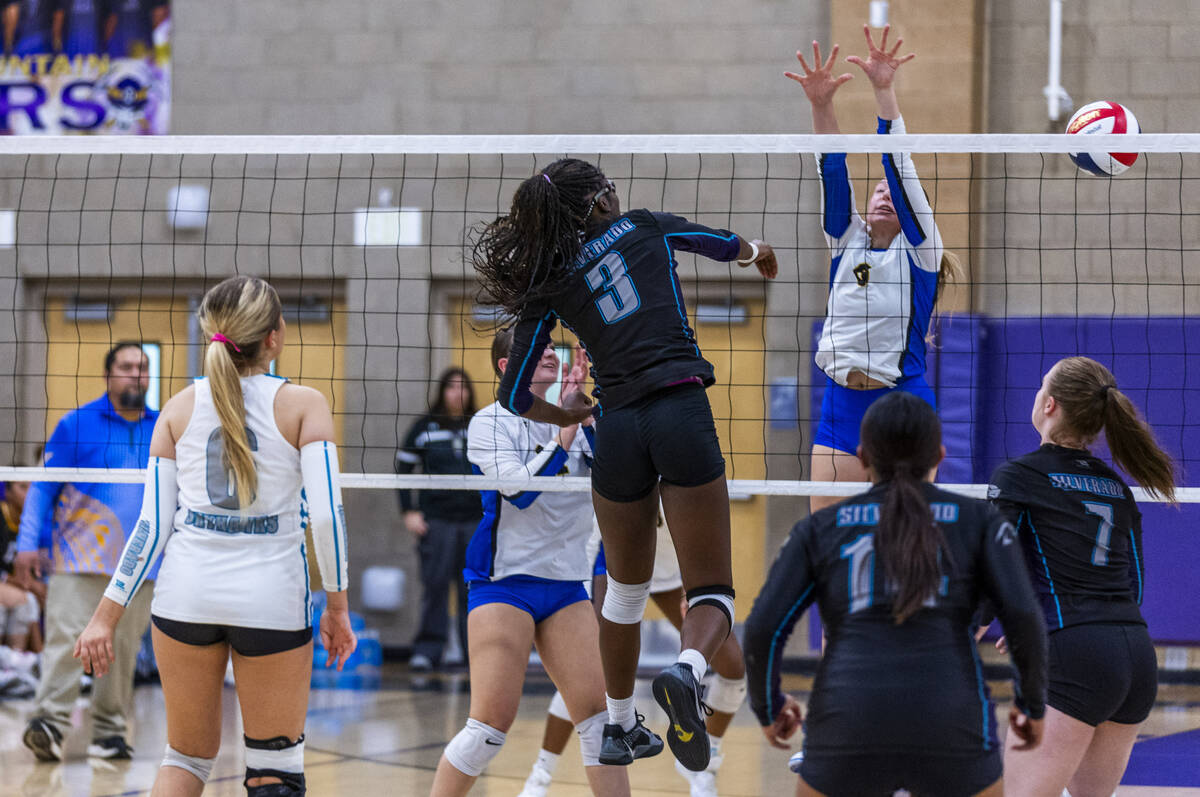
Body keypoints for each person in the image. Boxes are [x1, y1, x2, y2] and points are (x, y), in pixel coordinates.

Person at [472, 157, 776, 773]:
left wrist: (564, 417)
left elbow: (510, 395)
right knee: (713, 589)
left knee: (623, 592)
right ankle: (688, 672)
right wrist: (757, 252)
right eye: (609, 187)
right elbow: (723, 244)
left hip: (615, 428)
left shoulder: (552, 278)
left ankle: (617, 725)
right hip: (678, 408)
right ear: (600, 202)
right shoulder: (644, 226)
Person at [73, 276, 356, 797]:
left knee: (184, 760)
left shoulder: (176, 409)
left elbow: (151, 528)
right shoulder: (304, 405)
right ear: (275, 336)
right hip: (270, 601)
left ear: (211, 336)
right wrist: (337, 608)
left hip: (185, 599)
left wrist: (103, 618)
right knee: (277, 771)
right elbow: (327, 520)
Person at [744, 391, 1048, 796]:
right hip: (951, 716)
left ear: (863, 457)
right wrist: (1031, 704)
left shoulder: (820, 528)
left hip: (848, 716)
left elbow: (763, 626)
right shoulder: (981, 521)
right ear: (939, 456)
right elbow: (1024, 618)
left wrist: (768, 706)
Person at [428, 329, 628, 797]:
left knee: (601, 727)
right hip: (504, 583)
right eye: (535, 353)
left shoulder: (576, 418)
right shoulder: (488, 423)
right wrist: (562, 439)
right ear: (505, 368)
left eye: (551, 352)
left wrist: (586, 413)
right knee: (487, 730)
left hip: (565, 584)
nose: (549, 358)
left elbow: (615, 478)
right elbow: (518, 491)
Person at [786, 27, 963, 513]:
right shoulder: (845, 239)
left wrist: (884, 92)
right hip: (840, 409)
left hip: (903, 407)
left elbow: (898, 165)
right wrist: (821, 105)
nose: (885, 193)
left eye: (893, 193)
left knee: (907, 548)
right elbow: (832, 168)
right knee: (826, 543)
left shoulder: (922, 249)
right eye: (877, 191)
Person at [984, 356, 1176, 797]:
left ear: (1049, 404)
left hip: (1073, 654)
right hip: (1134, 655)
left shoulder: (1019, 476)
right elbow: (1135, 585)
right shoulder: (1116, 485)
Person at [519, 511, 746, 797]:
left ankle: (703, 763)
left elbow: (705, 523)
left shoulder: (686, 469)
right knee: (591, 674)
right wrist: (580, 592)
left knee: (734, 668)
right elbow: (591, 525)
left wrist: (695, 584)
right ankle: (541, 774)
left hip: (671, 571)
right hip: (615, 566)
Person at [13, 342, 157, 761]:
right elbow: (42, 487)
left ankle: (109, 734)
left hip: (140, 565)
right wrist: (27, 544)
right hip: (78, 560)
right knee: (66, 641)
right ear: (109, 374)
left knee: (123, 650)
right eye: (127, 366)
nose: (136, 374)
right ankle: (49, 727)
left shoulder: (164, 427)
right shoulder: (77, 424)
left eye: (143, 367)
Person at [395, 367, 481, 672]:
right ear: (442, 391)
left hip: (475, 522)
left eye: (463, 387)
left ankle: (475, 655)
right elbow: (402, 470)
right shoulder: (425, 427)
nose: (458, 393)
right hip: (437, 521)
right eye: (452, 387)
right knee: (434, 588)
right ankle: (428, 651)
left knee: (474, 591)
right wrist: (408, 511)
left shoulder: (480, 424)